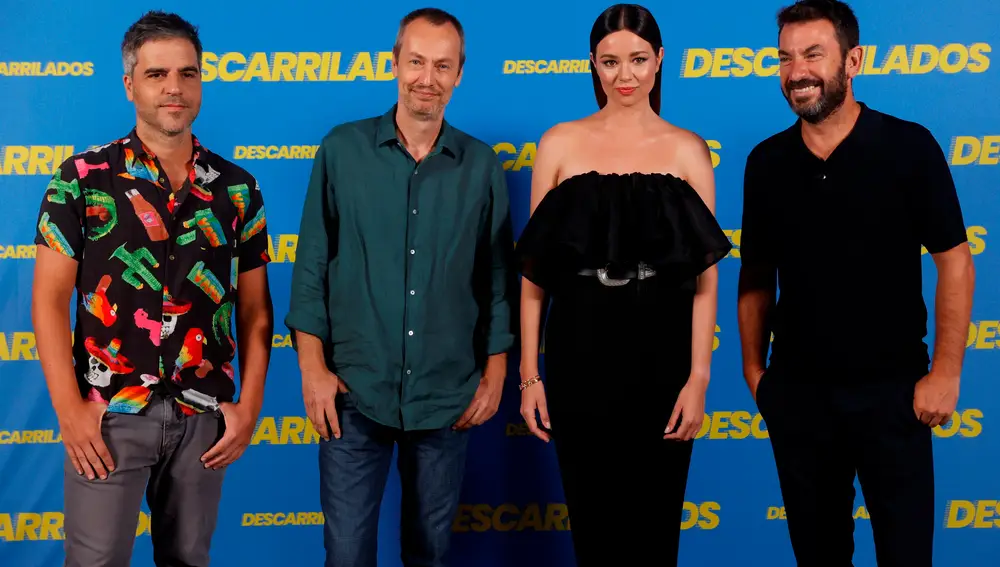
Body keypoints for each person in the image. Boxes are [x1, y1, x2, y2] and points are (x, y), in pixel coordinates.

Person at [30, 11, 274, 567]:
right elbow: (48, 301)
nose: (174, 88)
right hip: (109, 414)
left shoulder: (238, 190)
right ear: (129, 84)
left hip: (202, 418)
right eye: (158, 74)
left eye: (188, 74)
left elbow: (256, 312)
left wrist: (249, 403)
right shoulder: (82, 180)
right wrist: (70, 408)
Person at [736, 1, 975, 565]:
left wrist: (945, 372)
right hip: (798, 398)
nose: (797, 71)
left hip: (894, 396)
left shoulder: (910, 147)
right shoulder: (764, 163)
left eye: (814, 53)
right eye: (785, 58)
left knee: (907, 555)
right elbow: (754, 278)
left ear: (854, 60)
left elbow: (956, 262)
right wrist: (755, 374)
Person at [284, 7, 515, 567]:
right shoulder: (341, 150)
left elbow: (497, 277)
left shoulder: (481, 166)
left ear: (459, 74)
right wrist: (312, 370)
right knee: (345, 554)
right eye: (416, 61)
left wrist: (497, 369)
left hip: (445, 396)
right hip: (352, 392)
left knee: (430, 554)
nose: (426, 78)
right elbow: (311, 263)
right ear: (394, 64)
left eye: (442, 66)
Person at [514, 4, 732, 565]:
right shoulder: (559, 143)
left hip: (662, 349)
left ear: (659, 60)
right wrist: (529, 375)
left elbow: (705, 279)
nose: (625, 75)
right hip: (579, 346)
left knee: (656, 530)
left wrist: (698, 377)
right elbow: (535, 272)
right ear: (594, 64)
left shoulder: (689, 149)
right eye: (610, 62)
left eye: (637, 59)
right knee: (594, 528)